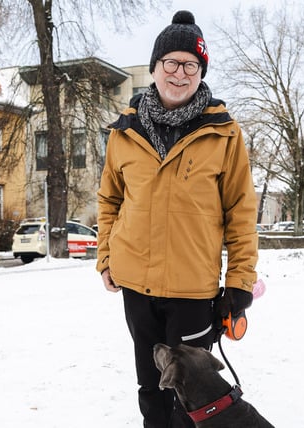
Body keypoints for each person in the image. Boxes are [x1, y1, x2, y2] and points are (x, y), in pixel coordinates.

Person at [96, 10, 261, 427]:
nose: (180, 73)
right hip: (136, 283)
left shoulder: (223, 132)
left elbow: (241, 211)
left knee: (193, 397)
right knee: (150, 388)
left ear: (200, 72)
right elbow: (109, 200)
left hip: (193, 289)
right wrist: (106, 257)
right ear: (154, 68)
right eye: (171, 62)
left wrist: (240, 283)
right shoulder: (123, 132)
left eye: (191, 65)